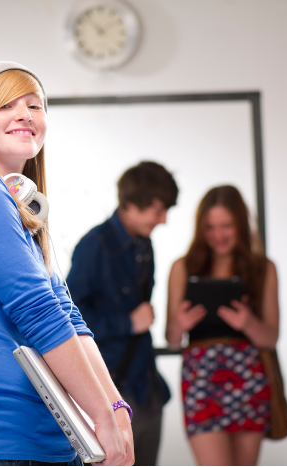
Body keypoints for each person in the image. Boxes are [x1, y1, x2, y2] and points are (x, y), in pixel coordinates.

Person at [0, 61, 134, 466]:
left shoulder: (19, 208)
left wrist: (115, 409)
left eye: (34, 105)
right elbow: (35, 310)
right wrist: (102, 418)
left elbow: (67, 316)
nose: (24, 114)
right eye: (6, 105)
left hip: (54, 441)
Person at [66, 161, 178, 466]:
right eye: (157, 211)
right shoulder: (94, 245)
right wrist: (128, 322)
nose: (164, 220)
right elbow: (68, 320)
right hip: (110, 392)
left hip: (145, 388)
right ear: (130, 204)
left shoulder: (145, 244)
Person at [165, 185, 280, 466]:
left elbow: (271, 338)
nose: (218, 235)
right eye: (210, 227)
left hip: (249, 381)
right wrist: (180, 325)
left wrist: (248, 323)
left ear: (240, 224)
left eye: (226, 226)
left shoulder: (264, 268)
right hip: (201, 382)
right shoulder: (182, 267)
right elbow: (171, 340)